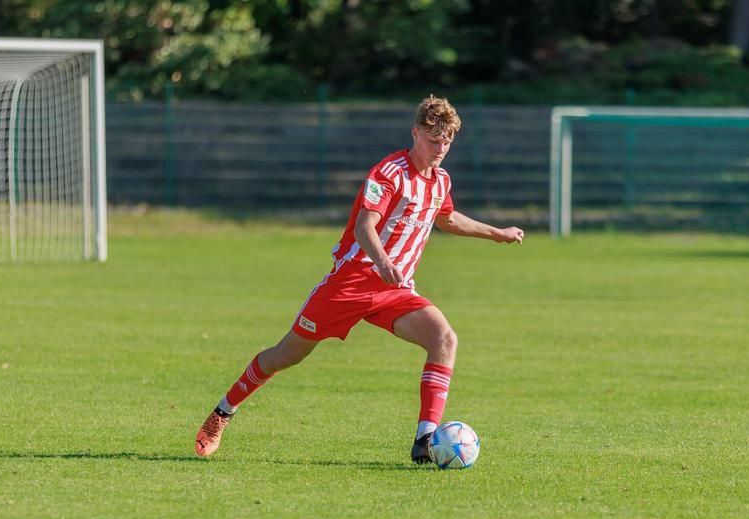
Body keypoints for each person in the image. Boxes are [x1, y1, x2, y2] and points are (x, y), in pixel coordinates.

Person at [194, 95, 524, 463]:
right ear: (415, 133)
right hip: (350, 283)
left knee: (444, 338)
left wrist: (497, 232)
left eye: (447, 142)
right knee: (285, 356)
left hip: (395, 291)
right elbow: (366, 225)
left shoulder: (440, 181)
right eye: (433, 140)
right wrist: (382, 262)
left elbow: (446, 219)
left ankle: (424, 441)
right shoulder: (389, 173)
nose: (441, 149)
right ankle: (223, 412)